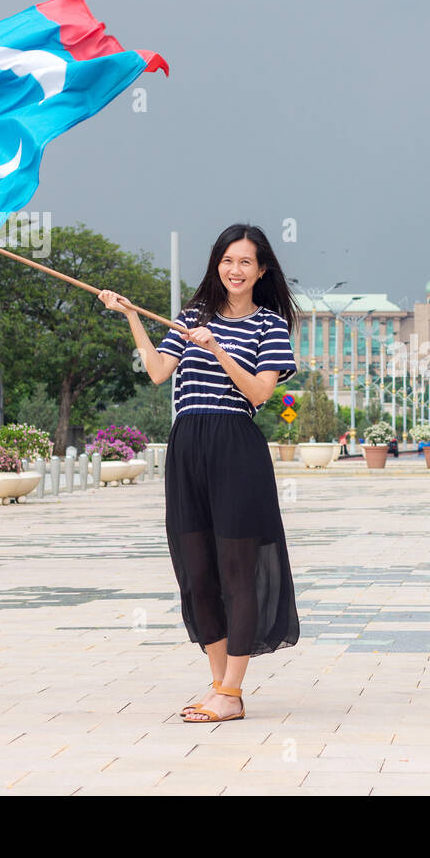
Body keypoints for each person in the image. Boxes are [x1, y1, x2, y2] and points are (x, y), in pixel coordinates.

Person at [99, 223, 300, 723]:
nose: (235, 270)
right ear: (217, 264)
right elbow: (157, 372)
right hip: (187, 444)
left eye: (246, 262)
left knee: (238, 570)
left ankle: (231, 694)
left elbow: (258, 394)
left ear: (261, 271)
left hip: (235, 447)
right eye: (228, 260)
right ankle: (217, 685)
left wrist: (217, 349)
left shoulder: (269, 325)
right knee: (196, 568)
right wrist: (131, 318)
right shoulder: (190, 318)